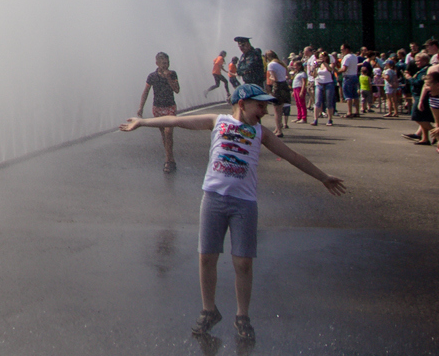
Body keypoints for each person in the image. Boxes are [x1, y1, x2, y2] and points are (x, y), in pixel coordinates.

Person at [119, 84, 345, 344]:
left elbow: (293, 156)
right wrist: (143, 121)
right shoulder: (218, 121)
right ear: (242, 104)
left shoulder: (261, 132)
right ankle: (209, 310)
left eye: (265, 106)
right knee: (207, 258)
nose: (263, 110)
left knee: (243, 263)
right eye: (259, 105)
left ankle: (242, 316)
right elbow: (177, 120)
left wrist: (323, 177)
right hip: (213, 199)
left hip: (244, 204)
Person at [136, 51, 181, 173]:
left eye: (167, 63)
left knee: (168, 133)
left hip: (170, 107)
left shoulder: (172, 74)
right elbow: (146, 92)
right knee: (164, 135)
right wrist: (141, 107)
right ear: (157, 63)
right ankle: (170, 159)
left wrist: (169, 78)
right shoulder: (152, 76)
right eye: (163, 63)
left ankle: (168, 160)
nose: (166, 65)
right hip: (158, 108)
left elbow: (177, 90)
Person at [264, 52, 289, 137]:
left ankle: (279, 131)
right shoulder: (281, 64)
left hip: (277, 86)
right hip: (284, 86)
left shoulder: (271, 65)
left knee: (276, 110)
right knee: (280, 109)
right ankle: (277, 128)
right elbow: (287, 76)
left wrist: (269, 77)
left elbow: (274, 78)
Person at [312, 52, 335, 127]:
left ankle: (329, 119)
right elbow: (314, 75)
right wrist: (315, 68)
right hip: (319, 84)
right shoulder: (318, 65)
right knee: (317, 101)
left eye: (322, 57)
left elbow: (330, 69)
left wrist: (324, 63)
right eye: (319, 57)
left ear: (326, 57)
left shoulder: (329, 64)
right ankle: (315, 119)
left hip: (328, 84)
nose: (320, 58)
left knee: (329, 102)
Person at [338, 43, 360, 118]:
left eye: (342, 50)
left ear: (346, 49)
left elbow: (344, 69)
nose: (341, 51)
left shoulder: (346, 57)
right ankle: (357, 111)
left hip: (348, 77)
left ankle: (349, 112)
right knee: (355, 95)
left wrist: (337, 71)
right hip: (354, 75)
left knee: (348, 96)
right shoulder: (354, 56)